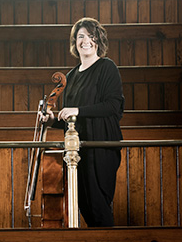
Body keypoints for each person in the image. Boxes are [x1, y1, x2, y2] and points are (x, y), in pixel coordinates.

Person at [42, 17, 124, 227]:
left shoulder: (107, 67)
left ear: (99, 41)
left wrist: (76, 110)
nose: (85, 41)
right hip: (77, 150)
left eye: (91, 36)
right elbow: (71, 119)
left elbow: (113, 106)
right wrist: (52, 120)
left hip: (101, 146)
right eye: (80, 37)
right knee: (85, 206)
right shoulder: (71, 77)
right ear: (74, 42)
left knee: (98, 206)